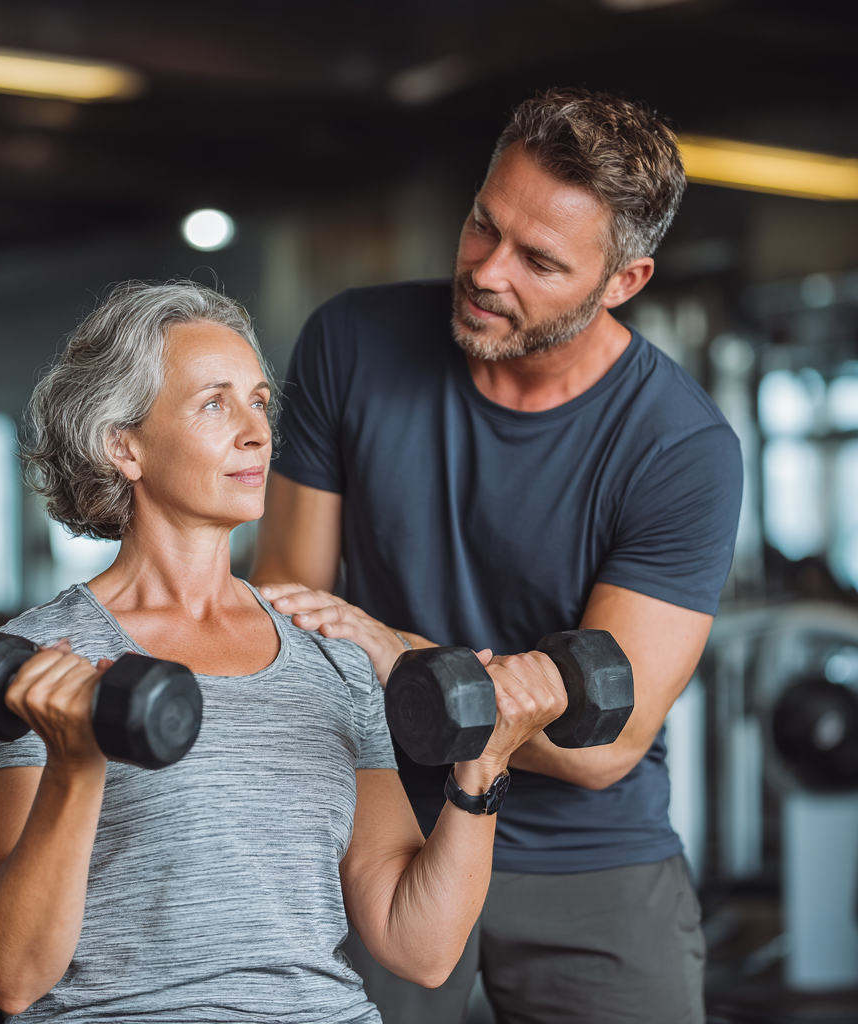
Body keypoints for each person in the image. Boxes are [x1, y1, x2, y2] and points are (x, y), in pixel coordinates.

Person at [252, 89, 744, 1024]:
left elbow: (606, 750)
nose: (485, 270)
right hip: (380, 820)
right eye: (483, 223)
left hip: (587, 856)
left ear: (623, 282)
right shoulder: (349, 344)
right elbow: (290, 616)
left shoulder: (681, 448)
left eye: (540, 261)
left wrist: (396, 656)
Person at [0, 281, 568, 1024]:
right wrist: (76, 767)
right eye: (214, 403)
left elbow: (421, 949)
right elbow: (9, 975)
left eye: (259, 401)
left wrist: (484, 767)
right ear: (125, 445)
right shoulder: (43, 660)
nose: (256, 432)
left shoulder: (331, 654)